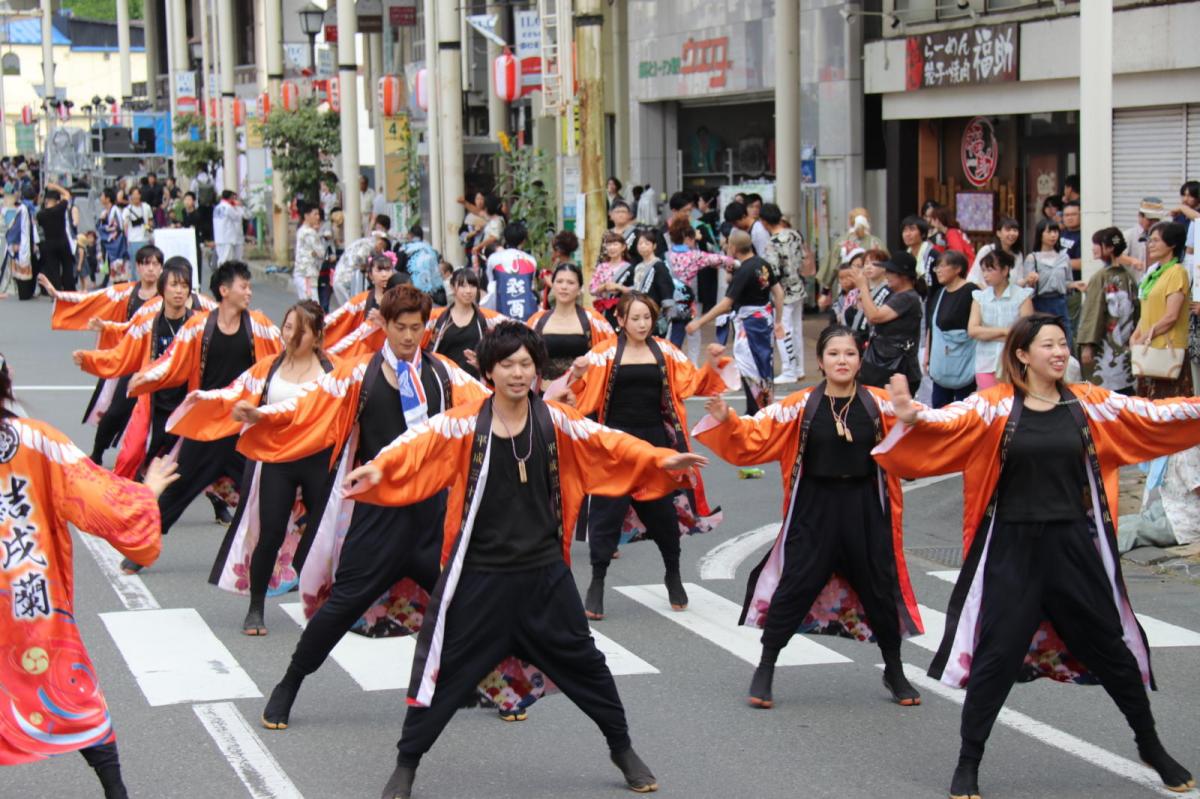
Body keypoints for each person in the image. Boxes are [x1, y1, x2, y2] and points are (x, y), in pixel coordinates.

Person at [340, 321, 707, 798]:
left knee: (587, 665)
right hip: (480, 577)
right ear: (489, 370)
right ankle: (406, 764)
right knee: (445, 673)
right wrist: (377, 466)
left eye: (526, 365)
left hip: (544, 575)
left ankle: (622, 748)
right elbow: (415, 444)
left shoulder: (555, 420)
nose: (517, 373)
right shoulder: (464, 422)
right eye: (507, 364)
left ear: (537, 371)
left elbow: (607, 441)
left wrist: (658, 458)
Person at [878, 313, 1200, 799]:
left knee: (1112, 650)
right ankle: (969, 762)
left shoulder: (1090, 404)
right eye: (1047, 344)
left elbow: (1152, 415)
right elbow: (950, 419)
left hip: (1074, 547)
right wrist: (914, 414)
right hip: (1014, 548)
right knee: (997, 656)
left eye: (1062, 343)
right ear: (1022, 355)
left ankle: (1150, 745)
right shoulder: (995, 406)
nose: (1059, 351)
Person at [236, 286, 489, 730]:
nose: (410, 336)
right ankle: (289, 684)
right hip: (378, 516)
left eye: (417, 327)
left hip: (430, 513)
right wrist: (266, 417)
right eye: (401, 327)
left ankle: (481, 683)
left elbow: (490, 405)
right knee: (340, 607)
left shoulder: (444, 374)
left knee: (463, 602)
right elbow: (310, 404)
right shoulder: (360, 374)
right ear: (384, 326)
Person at [693, 324, 924, 709]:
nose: (842, 361)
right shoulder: (801, 404)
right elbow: (754, 433)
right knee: (795, 585)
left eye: (850, 354)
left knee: (880, 590)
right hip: (814, 508)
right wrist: (727, 420)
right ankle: (765, 667)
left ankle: (894, 669)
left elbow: (927, 429)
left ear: (860, 358)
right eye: (834, 354)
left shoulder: (879, 403)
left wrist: (912, 416)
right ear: (821, 361)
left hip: (866, 508)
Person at [0, 352, 179, 798]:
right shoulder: (37, 440)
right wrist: (146, 494)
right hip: (29, 600)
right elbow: (96, 497)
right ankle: (115, 791)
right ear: (9, 380)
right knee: (70, 693)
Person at [169, 300, 337, 635]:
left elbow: (343, 402)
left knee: (324, 534)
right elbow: (234, 392)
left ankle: (326, 602)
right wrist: (215, 403)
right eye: (287, 327)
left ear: (317, 338)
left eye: (301, 330)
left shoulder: (334, 371)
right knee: (270, 532)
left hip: (319, 459)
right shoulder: (269, 367)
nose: (291, 335)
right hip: (276, 459)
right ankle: (256, 606)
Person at [568, 292, 733, 620]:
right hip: (614, 446)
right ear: (621, 320)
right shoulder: (604, 354)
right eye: (635, 318)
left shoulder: (666, 351)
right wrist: (578, 372)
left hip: (656, 445)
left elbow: (693, 385)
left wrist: (712, 364)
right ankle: (597, 583)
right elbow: (580, 393)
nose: (642, 324)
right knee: (606, 515)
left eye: (647, 317)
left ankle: (673, 573)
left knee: (663, 517)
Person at [123, 261, 282, 571]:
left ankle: (282, 559)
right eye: (243, 286)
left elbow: (285, 353)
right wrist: (146, 377)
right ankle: (141, 549)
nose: (249, 292)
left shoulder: (259, 324)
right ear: (224, 291)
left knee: (264, 492)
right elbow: (172, 362)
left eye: (249, 286)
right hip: (207, 427)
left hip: (241, 428)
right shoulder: (198, 326)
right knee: (177, 490)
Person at [71, 259, 199, 479]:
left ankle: (217, 504)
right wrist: (89, 359)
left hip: (183, 399)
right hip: (151, 398)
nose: (179, 291)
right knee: (130, 454)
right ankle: (121, 495)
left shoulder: (199, 325)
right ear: (162, 289)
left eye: (184, 286)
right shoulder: (148, 321)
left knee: (199, 459)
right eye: (174, 285)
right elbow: (121, 354)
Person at [687, 229, 785, 413]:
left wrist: (699, 322)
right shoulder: (763, 264)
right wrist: (778, 321)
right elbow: (779, 293)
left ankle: (756, 411)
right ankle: (763, 409)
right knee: (763, 366)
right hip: (765, 323)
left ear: (733, 247)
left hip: (749, 327)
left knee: (750, 369)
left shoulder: (745, 270)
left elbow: (726, 304)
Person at [1131, 221, 1192, 399]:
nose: (1151, 244)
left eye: (1156, 240)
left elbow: (1171, 316)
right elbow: (1147, 310)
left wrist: (1143, 337)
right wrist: (1136, 334)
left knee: (1167, 408)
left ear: (1172, 244)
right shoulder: (1153, 273)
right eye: (1150, 240)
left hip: (1167, 350)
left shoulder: (1177, 272)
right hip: (1149, 349)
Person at [525, 262, 615, 380]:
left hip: (583, 394)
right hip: (543, 393)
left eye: (570, 283)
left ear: (579, 289)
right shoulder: (536, 320)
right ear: (553, 285)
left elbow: (612, 350)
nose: (564, 287)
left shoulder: (594, 320)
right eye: (559, 281)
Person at [1077, 228, 1139, 394]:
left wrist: (1087, 345)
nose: (1093, 248)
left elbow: (1094, 312)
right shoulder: (1129, 277)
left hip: (1104, 345)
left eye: (1097, 244)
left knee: (1101, 394)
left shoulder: (1100, 277)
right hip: (1126, 343)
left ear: (1109, 248)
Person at [665, 218, 736, 362]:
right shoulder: (694, 255)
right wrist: (737, 262)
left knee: (671, 336)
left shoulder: (666, 256)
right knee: (694, 333)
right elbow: (720, 260)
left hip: (669, 302)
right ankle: (693, 364)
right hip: (688, 302)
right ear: (688, 239)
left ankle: (670, 366)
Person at [856, 252, 925, 392]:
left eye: (890, 272)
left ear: (903, 275)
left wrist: (863, 287)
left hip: (895, 368)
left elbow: (874, 317)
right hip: (884, 365)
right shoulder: (897, 295)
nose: (886, 275)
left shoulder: (907, 297)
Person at [968, 248, 1034, 390]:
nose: (985, 275)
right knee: (989, 404)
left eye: (990, 270)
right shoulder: (980, 297)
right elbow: (973, 330)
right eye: (983, 270)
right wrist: (1005, 332)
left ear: (1005, 271)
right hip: (985, 362)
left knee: (1013, 404)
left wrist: (987, 334)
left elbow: (1025, 332)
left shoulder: (1021, 296)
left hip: (1013, 362)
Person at [423, 269, 507, 378]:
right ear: (453, 287)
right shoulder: (437, 317)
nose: (468, 291)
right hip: (444, 379)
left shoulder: (486, 318)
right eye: (463, 286)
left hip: (475, 383)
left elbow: (516, 329)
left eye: (473, 286)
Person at [924, 250, 980, 407]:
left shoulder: (972, 291)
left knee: (963, 411)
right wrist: (928, 354)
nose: (938, 271)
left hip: (964, 362)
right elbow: (932, 326)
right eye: (936, 268)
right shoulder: (940, 293)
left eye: (942, 266)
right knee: (939, 411)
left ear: (958, 269)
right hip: (941, 363)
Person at [761, 203, 810, 383]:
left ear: (765, 222)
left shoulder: (773, 242)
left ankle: (789, 370)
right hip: (798, 286)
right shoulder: (795, 234)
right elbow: (803, 258)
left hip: (783, 292)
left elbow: (773, 271)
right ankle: (799, 368)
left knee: (782, 329)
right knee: (796, 330)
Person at [323, 253, 395, 349]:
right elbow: (338, 316)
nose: (384, 274)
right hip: (363, 348)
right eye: (379, 270)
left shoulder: (398, 299)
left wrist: (383, 322)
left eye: (387, 270)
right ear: (370, 275)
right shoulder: (362, 300)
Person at [1023, 218, 1074, 350]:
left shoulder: (1064, 257)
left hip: (1060, 303)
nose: (1053, 235)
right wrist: (1030, 280)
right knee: (1043, 340)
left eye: (1056, 232)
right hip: (1040, 303)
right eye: (1049, 232)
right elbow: (1027, 289)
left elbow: (1067, 282)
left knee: (1065, 339)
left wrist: (1075, 285)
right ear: (1040, 234)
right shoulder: (1032, 258)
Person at [614, 228, 676, 325]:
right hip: (640, 309)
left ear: (654, 246)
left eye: (646, 243)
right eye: (640, 244)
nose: (643, 246)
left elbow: (666, 289)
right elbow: (637, 287)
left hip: (655, 311)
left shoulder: (659, 265)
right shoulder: (638, 267)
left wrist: (668, 314)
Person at [484, 221, 539, 321]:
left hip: (501, 313)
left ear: (505, 238)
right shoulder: (530, 260)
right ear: (523, 241)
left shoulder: (494, 258)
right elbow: (531, 287)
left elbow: (491, 285)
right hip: (527, 315)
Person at [820, 208, 885, 291]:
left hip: (846, 288)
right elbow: (886, 267)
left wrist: (825, 291)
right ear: (868, 221)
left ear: (849, 222)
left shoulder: (841, 242)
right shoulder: (876, 243)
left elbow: (831, 268)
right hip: (871, 288)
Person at [36, 182, 74, 291]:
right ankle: (69, 289)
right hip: (63, 241)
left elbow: (40, 207)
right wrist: (56, 186)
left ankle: (56, 291)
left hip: (49, 244)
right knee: (67, 266)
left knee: (53, 269)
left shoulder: (41, 215)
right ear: (56, 201)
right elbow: (67, 195)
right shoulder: (60, 209)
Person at [590, 230, 632, 327]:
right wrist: (604, 286)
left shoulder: (629, 268)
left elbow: (635, 290)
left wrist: (618, 287)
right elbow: (591, 289)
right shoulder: (601, 267)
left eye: (615, 244)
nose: (612, 248)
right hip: (603, 309)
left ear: (623, 247)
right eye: (609, 245)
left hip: (623, 309)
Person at [967, 217, 1022, 286]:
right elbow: (973, 278)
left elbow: (1018, 280)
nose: (1012, 233)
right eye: (1008, 230)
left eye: (1015, 230)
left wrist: (1027, 280)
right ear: (998, 233)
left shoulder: (1017, 254)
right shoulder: (987, 250)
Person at [6, 184, 38, 300]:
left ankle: (27, 293)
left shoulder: (25, 208)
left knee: (28, 266)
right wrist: (14, 242)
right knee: (24, 267)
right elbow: (17, 228)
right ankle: (25, 293)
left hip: (26, 242)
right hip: (23, 243)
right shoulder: (24, 210)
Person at [1122, 197, 1165, 278]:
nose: (1154, 223)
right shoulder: (1128, 235)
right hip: (1135, 284)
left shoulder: (1163, 236)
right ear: (1140, 216)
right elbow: (1116, 256)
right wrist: (1132, 261)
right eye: (1150, 219)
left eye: (1156, 220)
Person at [97, 187, 129, 284]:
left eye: (102, 196)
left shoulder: (115, 211)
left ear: (108, 198)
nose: (101, 198)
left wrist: (104, 227)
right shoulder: (105, 212)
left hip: (117, 245)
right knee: (114, 274)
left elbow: (118, 228)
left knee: (121, 275)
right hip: (111, 246)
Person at [293, 203, 324, 302]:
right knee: (312, 305)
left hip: (304, 273)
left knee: (307, 305)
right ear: (306, 216)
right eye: (315, 214)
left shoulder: (301, 230)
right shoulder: (309, 233)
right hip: (307, 275)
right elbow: (321, 253)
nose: (318, 217)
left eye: (318, 214)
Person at [400, 224, 439, 295]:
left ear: (410, 235)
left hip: (409, 286)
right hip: (427, 286)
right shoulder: (430, 249)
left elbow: (398, 268)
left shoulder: (405, 249)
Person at [212, 190, 246, 265]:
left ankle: (221, 274)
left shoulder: (217, 207)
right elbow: (237, 217)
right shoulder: (228, 207)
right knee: (226, 261)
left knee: (221, 259)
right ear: (230, 197)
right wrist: (239, 207)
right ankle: (223, 275)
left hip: (219, 238)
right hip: (227, 238)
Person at [900, 215, 937, 284]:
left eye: (912, 229)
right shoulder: (905, 256)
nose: (907, 234)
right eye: (905, 230)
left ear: (923, 234)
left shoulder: (933, 255)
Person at [122, 187, 153, 266]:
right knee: (135, 264)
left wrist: (149, 230)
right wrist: (127, 239)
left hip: (145, 239)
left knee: (146, 263)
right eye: (133, 194)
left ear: (140, 195)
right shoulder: (127, 210)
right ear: (130, 196)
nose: (136, 196)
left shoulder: (146, 207)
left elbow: (150, 220)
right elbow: (125, 226)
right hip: (133, 240)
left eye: (137, 194)